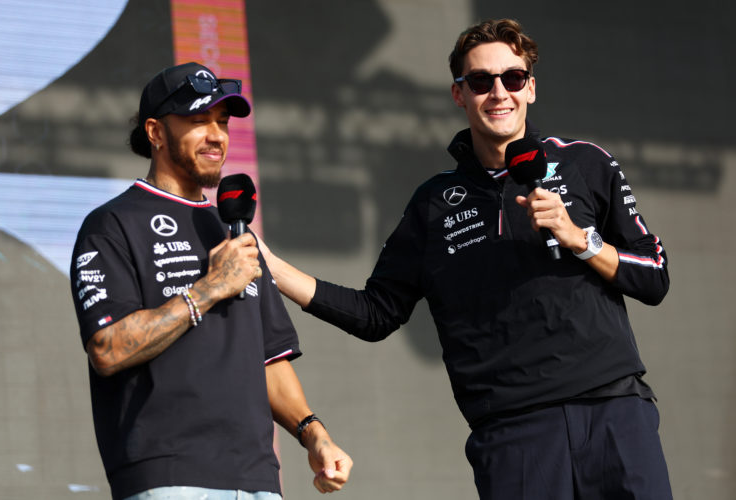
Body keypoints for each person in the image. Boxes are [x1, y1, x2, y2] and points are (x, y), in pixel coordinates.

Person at [260, 19, 672, 499]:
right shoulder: (434, 203)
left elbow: (655, 278)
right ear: (459, 95)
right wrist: (272, 267)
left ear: (531, 88)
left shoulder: (585, 164)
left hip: (615, 414)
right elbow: (376, 313)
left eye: (512, 79)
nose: (499, 92)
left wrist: (581, 240)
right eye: (481, 81)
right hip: (514, 434)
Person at [69, 62, 352, 500]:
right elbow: (107, 349)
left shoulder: (237, 232)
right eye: (198, 121)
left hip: (258, 479)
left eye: (222, 122)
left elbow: (269, 359)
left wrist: (313, 432)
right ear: (156, 132)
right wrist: (209, 289)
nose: (217, 135)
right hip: (169, 475)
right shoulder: (112, 223)